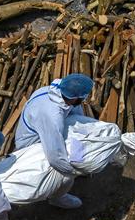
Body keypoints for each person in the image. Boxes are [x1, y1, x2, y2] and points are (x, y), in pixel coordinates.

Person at [14, 73, 94, 209]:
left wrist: (80, 153)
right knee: (65, 176)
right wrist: (74, 170)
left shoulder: (57, 92)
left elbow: (79, 119)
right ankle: (57, 197)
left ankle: (77, 164)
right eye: (84, 97)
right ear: (76, 98)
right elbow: (55, 157)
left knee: (77, 149)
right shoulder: (52, 116)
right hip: (31, 144)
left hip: (45, 131)